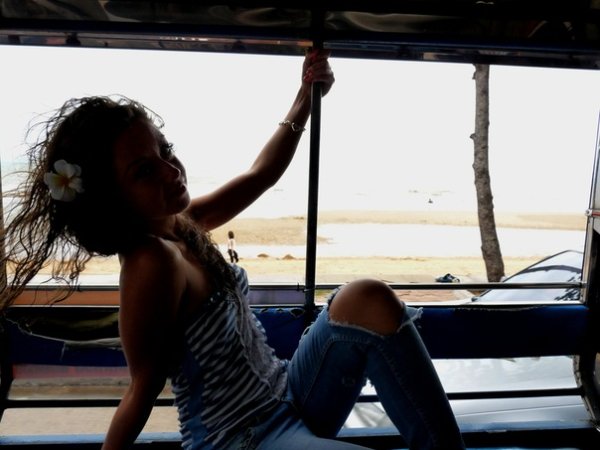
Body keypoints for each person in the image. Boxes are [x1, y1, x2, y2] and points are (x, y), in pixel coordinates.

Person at [0, 50, 465, 450]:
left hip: (287, 392)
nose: (170, 171)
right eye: (144, 171)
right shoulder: (150, 262)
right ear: (111, 198)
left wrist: (306, 97)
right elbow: (142, 388)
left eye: (165, 150)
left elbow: (260, 175)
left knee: (366, 296)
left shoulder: (182, 223)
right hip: (241, 437)